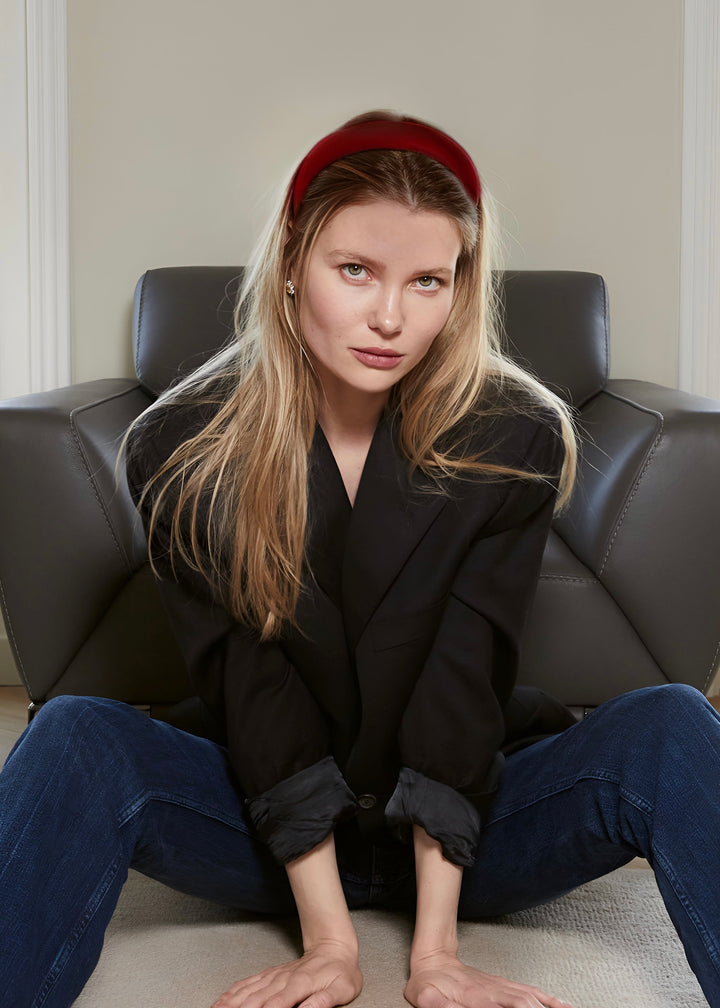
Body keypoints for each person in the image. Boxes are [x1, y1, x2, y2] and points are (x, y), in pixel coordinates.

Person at [1, 111, 719, 1008]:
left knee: (672, 723)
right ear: (291, 260)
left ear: (460, 286)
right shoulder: (183, 443)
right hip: (265, 820)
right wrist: (331, 945)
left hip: (471, 824)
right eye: (355, 271)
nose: (390, 317)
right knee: (72, 733)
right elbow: (252, 692)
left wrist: (435, 957)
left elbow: (463, 684)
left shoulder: (514, 434)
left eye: (427, 281)